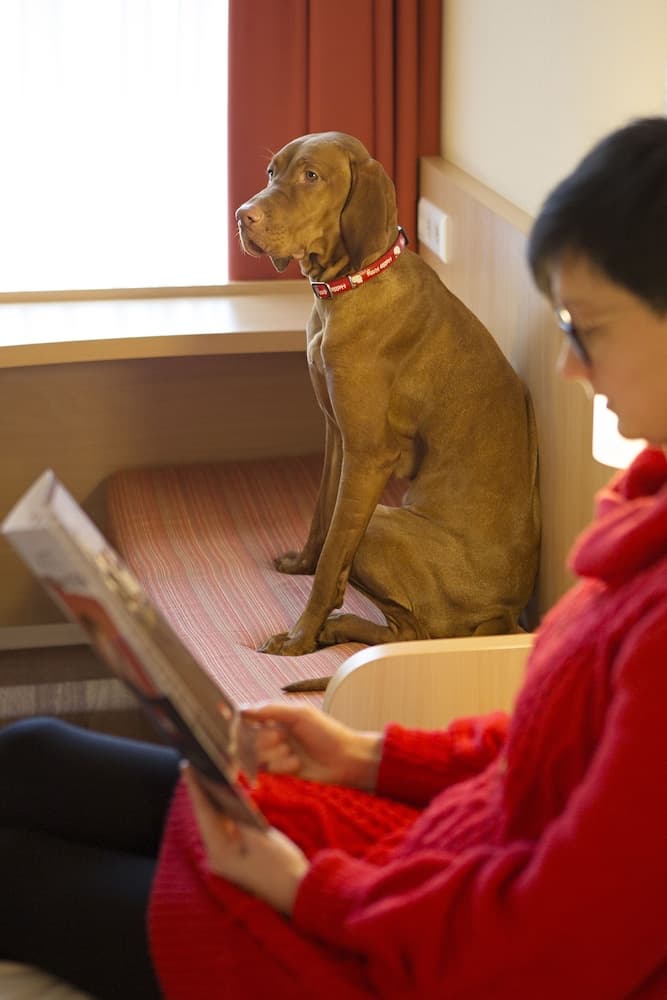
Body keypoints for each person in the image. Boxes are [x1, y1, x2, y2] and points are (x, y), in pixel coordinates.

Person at [1, 115, 666, 1000]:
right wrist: (368, 757)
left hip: (395, 940)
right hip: (420, 853)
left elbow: (547, 940)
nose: (568, 370)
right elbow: (546, 749)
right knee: (34, 751)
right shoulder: (640, 528)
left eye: (588, 329)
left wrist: (301, 888)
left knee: (16, 870)